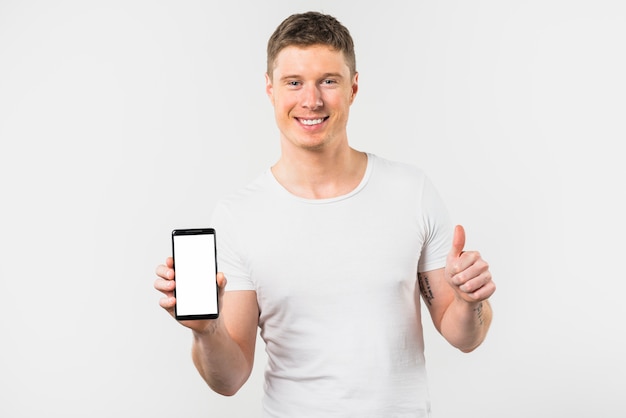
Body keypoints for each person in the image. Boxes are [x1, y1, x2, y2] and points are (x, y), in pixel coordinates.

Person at [154, 11, 495, 417]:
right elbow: (229, 380)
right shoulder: (238, 216)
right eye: (294, 82)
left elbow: (464, 336)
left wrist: (468, 300)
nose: (311, 100)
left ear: (353, 87)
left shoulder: (411, 191)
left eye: (328, 81)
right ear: (270, 89)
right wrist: (206, 331)